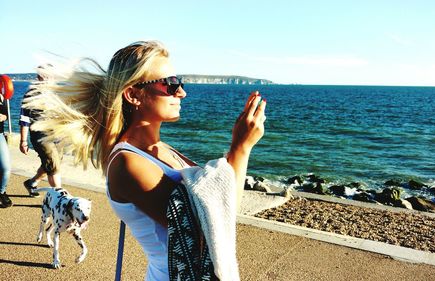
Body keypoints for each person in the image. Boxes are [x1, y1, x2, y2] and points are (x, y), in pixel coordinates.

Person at [24, 41, 266, 280]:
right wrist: (240, 148)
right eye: (171, 85)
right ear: (133, 95)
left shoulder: (158, 149)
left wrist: (239, 149)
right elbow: (208, 231)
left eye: (178, 82)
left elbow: (216, 208)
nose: (182, 92)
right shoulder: (128, 164)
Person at [19, 65, 63, 196]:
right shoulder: (30, 94)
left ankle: (32, 183)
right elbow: (24, 119)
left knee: (51, 164)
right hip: (40, 136)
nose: (49, 78)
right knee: (54, 166)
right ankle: (59, 198)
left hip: (57, 135)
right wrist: (23, 141)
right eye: (45, 75)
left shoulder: (58, 92)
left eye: (51, 75)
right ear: (39, 76)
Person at [0, 90, 12, 207]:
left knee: (6, 168)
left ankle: (1, 192)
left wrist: (3, 117)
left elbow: (5, 115)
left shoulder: (1, 98)